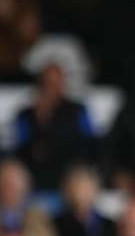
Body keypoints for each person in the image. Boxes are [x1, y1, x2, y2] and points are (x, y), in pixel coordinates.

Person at [14, 62, 95, 191]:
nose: (50, 88)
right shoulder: (26, 115)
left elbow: (90, 144)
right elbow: (21, 148)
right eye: (46, 83)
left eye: (55, 83)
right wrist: (41, 120)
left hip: (71, 173)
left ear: (62, 84)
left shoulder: (78, 110)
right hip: (36, 176)